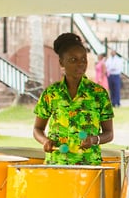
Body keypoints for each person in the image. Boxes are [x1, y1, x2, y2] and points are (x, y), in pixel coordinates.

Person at [33, 33, 114, 164]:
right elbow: (37, 129)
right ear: (61, 62)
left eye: (83, 59)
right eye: (73, 60)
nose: (81, 64)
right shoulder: (51, 93)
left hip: (88, 165)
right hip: (57, 163)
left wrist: (94, 139)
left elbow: (109, 133)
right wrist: (45, 140)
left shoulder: (99, 94)